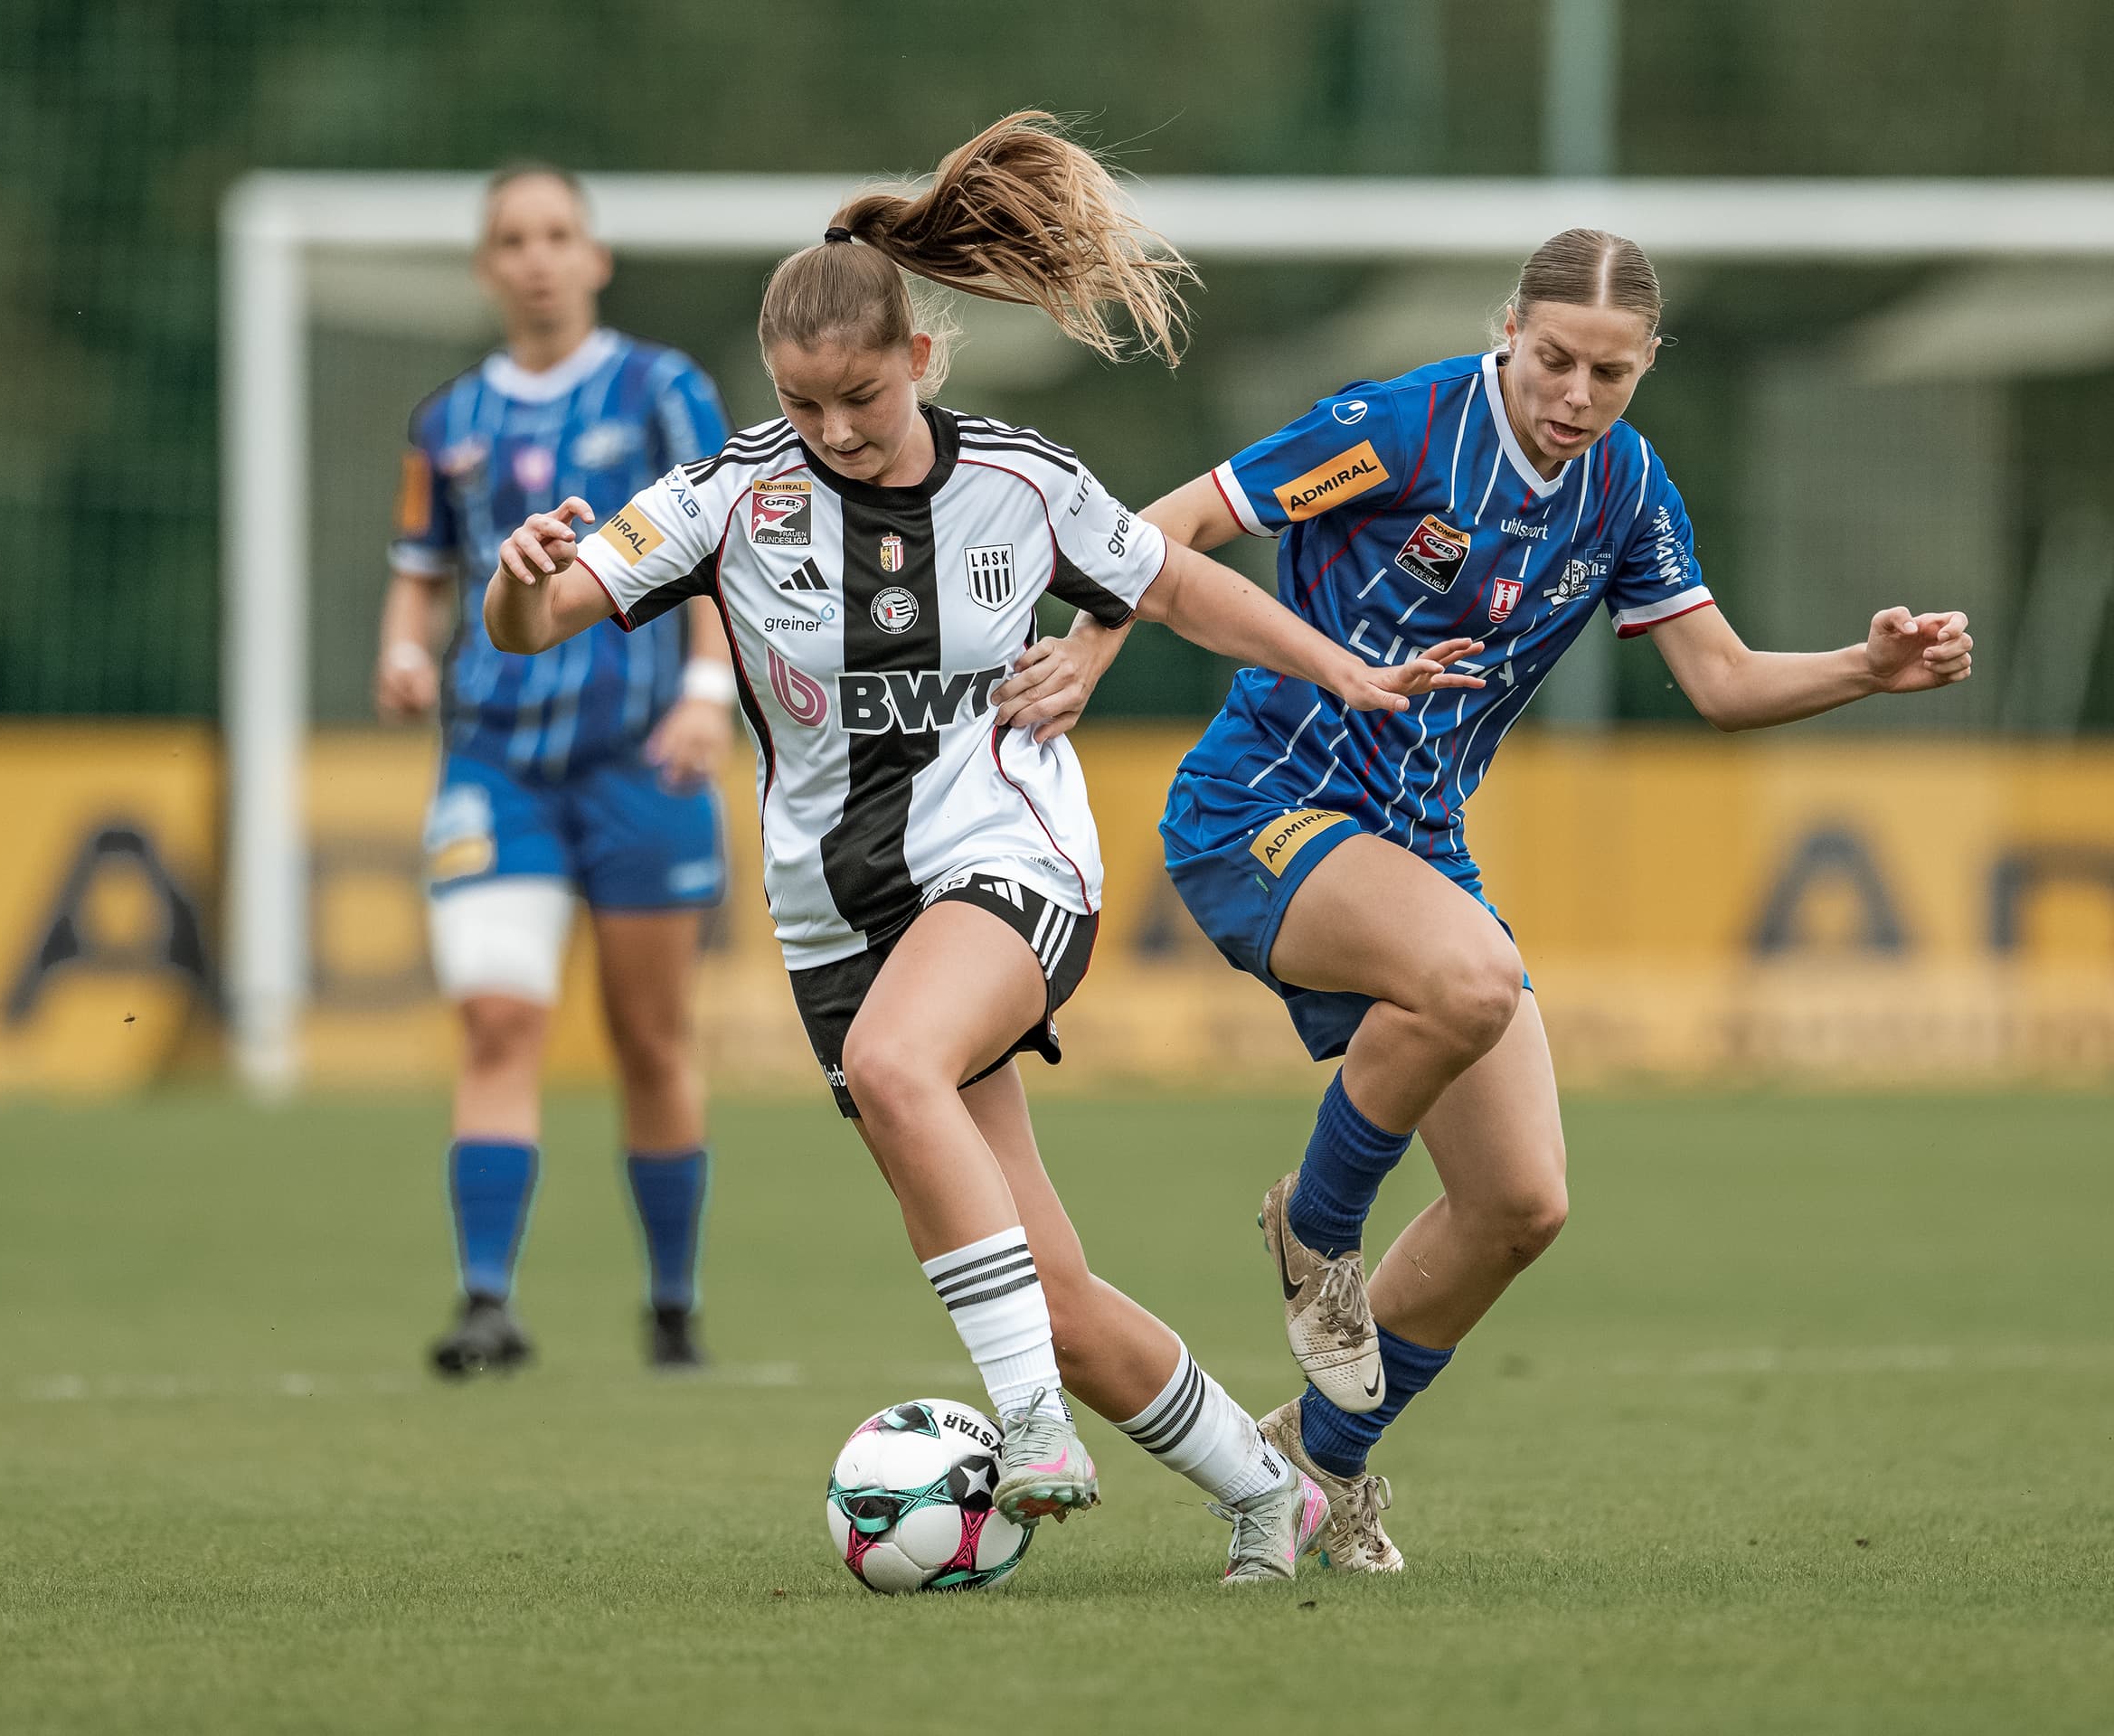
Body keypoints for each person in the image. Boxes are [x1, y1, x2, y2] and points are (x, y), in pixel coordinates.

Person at [479, 113, 1479, 1581]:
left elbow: (1183, 590)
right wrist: (519, 581)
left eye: (862, 399)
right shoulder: (730, 498)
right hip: (838, 922)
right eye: (804, 404)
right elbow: (534, 626)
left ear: (923, 361)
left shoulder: (1019, 478)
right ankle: (1276, 1498)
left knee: (900, 1069)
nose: (833, 431)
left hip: (1011, 864)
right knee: (1054, 1295)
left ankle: (1024, 1431)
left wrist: (1347, 669)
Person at [1006, 227, 1974, 1573]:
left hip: (1413, 848)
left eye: (1613, 375)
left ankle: (1313, 1469)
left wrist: (1866, 674)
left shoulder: (1628, 490)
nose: (1578, 397)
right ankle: (1317, 1226)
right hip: (1261, 809)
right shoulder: (1400, 429)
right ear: (1509, 328)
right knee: (1465, 981)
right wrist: (1088, 650)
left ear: (1644, 371)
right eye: (1559, 361)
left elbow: (1723, 681)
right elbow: (1170, 527)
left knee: (1521, 1205)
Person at [379, 163, 740, 1377]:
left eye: (556, 235)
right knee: (496, 1016)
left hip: (643, 762)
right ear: (487, 267)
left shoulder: (662, 389)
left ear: (595, 256)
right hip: (495, 766)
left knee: (648, 1036)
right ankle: (487, 1303)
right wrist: (400, 649)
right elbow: (422, 566)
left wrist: (704, 694)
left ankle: (673, 1308)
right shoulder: (447, 423)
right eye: (511, 239)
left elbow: (721, 546)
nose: (535, 258)